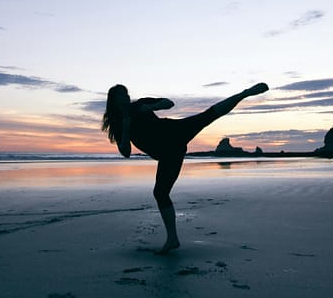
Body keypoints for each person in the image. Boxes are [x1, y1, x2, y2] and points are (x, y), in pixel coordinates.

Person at [102, 82, 269, 254]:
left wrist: (151, 106)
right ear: (113, 101)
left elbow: (169, 103)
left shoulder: (140, 104)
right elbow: (126, 152)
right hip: (169, 153)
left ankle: (244, 93)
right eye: (121, 96)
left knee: (207, 116)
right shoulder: (117, 123)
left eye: (126, 94)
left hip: (175, 132)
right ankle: (172, 239)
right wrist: (127, 128)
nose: (126, 98)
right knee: (160, 193)